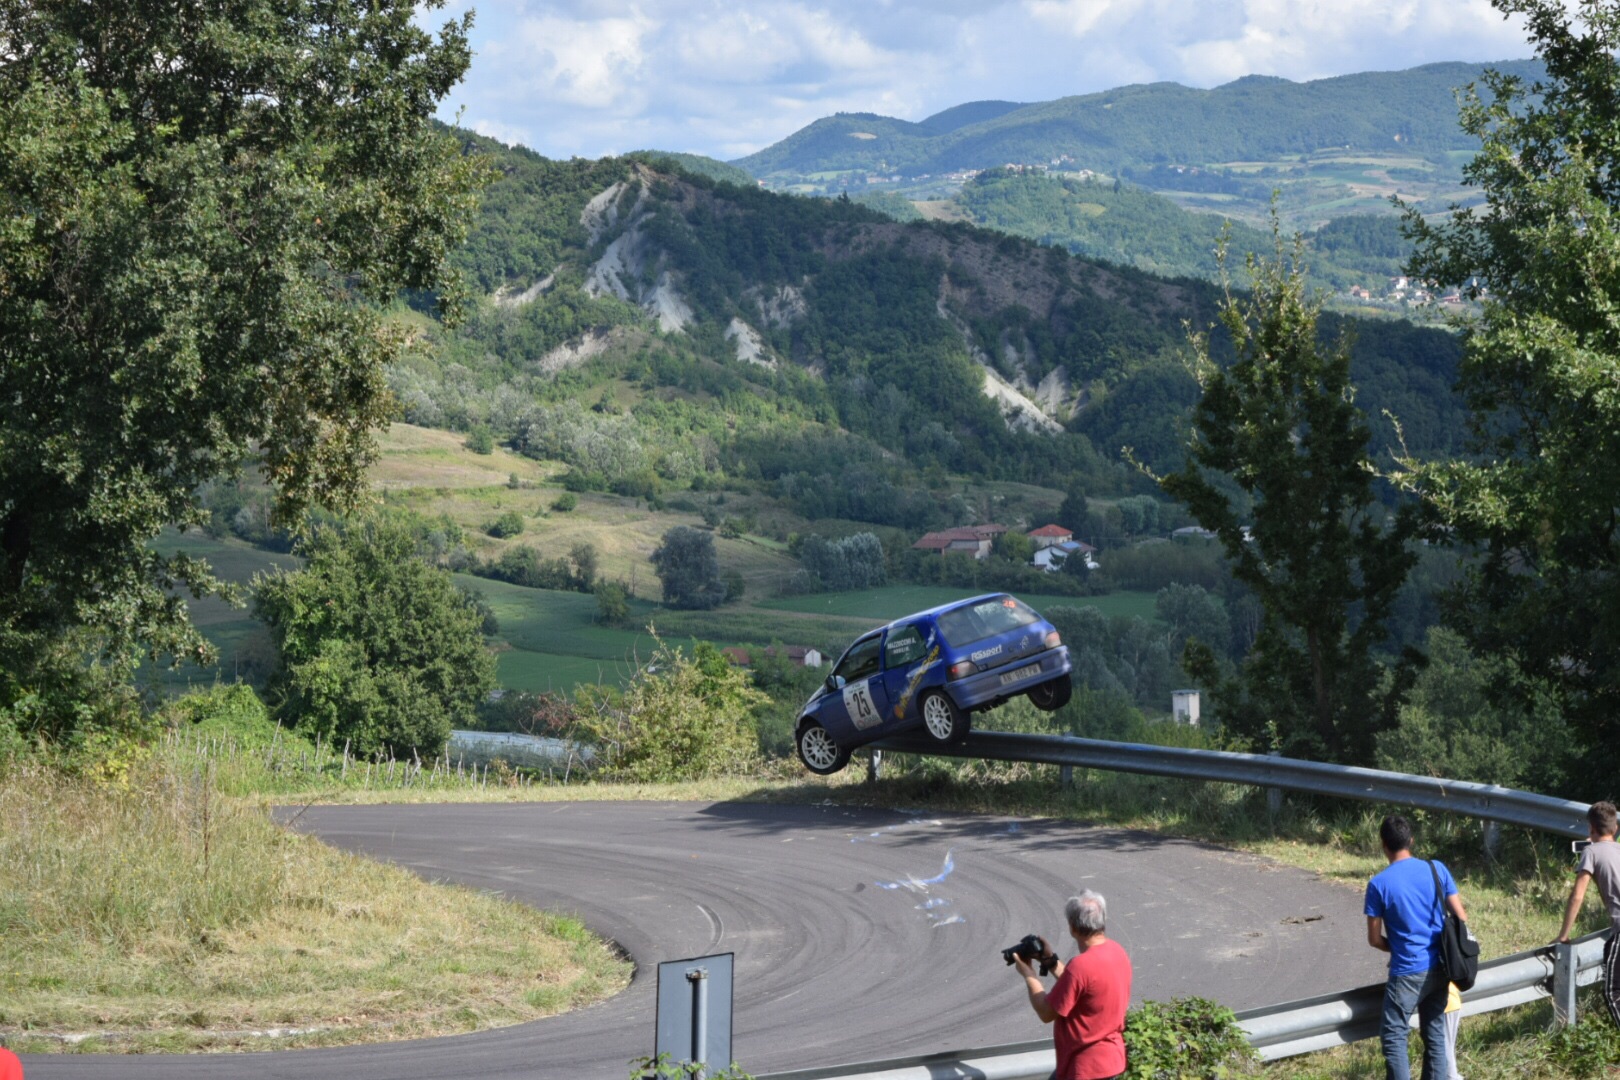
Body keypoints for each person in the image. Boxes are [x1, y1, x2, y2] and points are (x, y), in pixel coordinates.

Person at [1365, 814, 1468, 1080]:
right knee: (1434, 1032)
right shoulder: (1437, 869)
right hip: (1441, 967)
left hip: (1407, 971)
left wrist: (1397, 946)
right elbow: (1461, 917)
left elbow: (1374, 939)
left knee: (1394, 1035)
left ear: (1383, 844)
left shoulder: (1378, 885)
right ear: (1411, 840)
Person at [1011, 889, 1132, 1080]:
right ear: (1102, 921)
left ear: (1072, 927)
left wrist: (1029, 974)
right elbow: (1081, 986)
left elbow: (1045, 1012)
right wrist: (1050, 961)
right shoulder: (1117, 952)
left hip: (1084, 1067)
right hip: (1110, 1061)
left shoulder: (1081, 966)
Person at [1554, 800, 1620, 1026]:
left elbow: (1578, 896)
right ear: (1616, 829)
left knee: (1613, 992)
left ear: (1590, 829)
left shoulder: (1591, 852)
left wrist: (1563, 935)